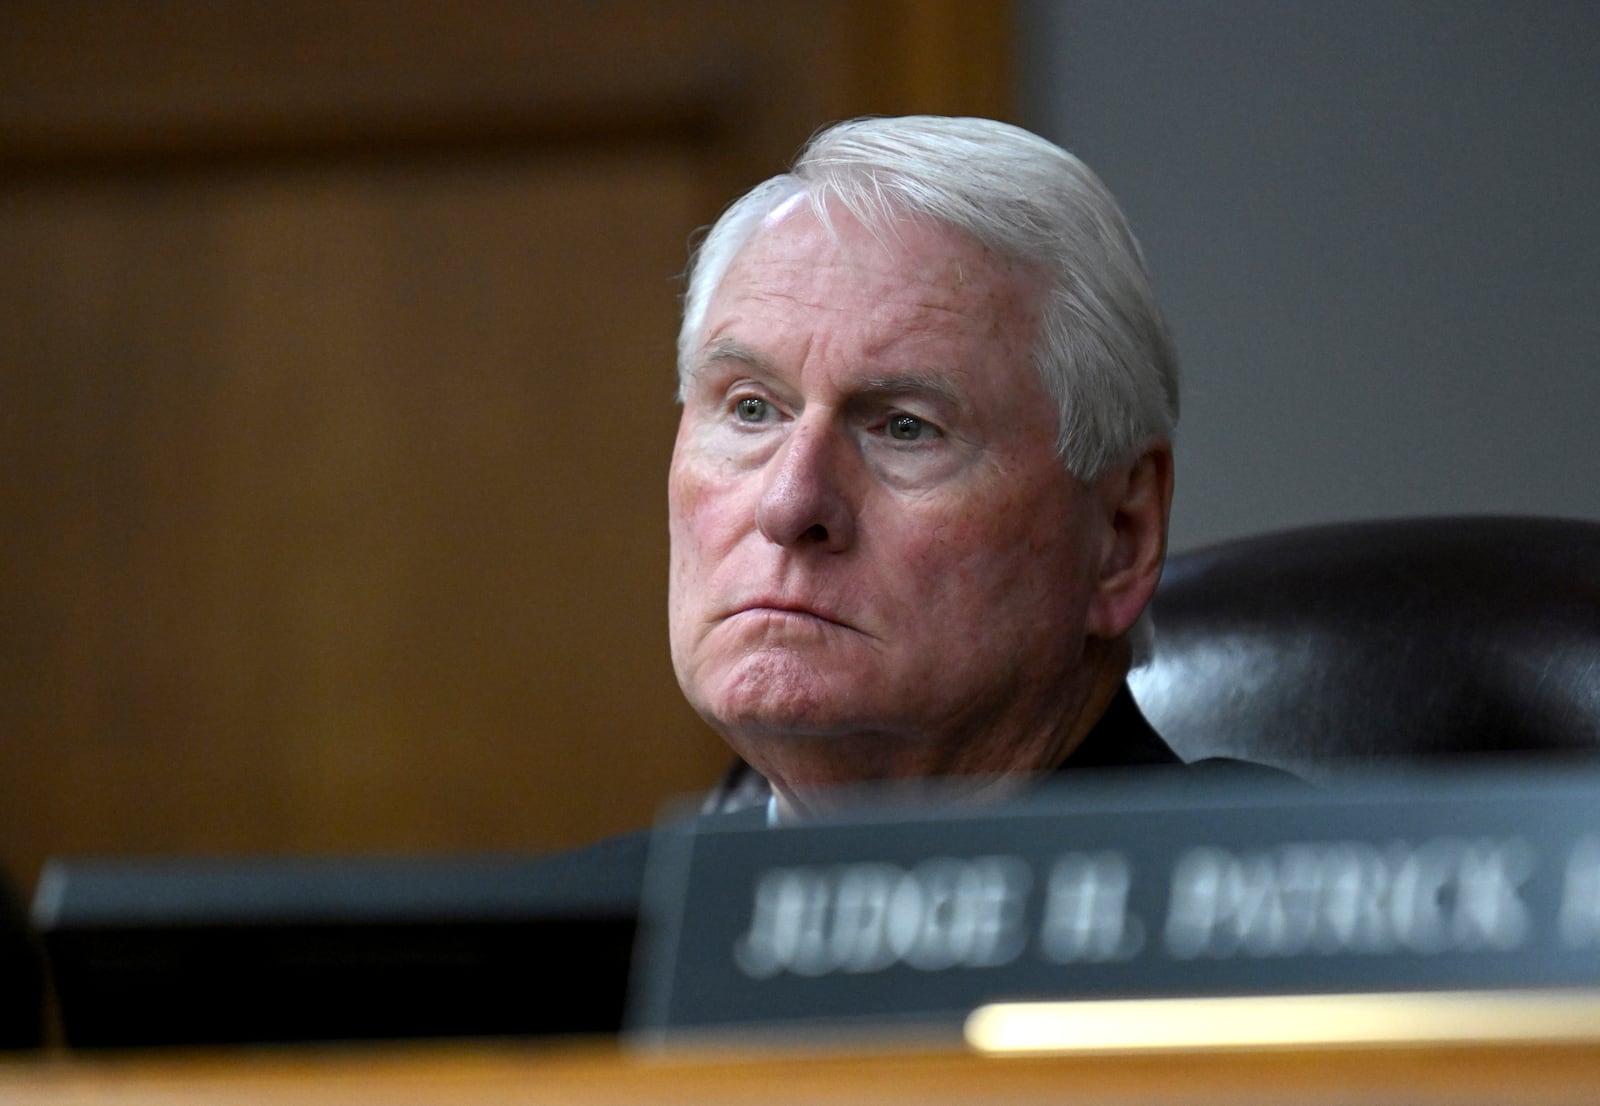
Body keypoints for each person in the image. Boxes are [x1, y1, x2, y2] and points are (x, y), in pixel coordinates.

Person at [667, 115, 1185, 823]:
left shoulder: (1287, 907)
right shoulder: (582, 927)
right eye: (752, 410)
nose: (788, 507)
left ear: (1121, 538)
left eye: (906, 428)